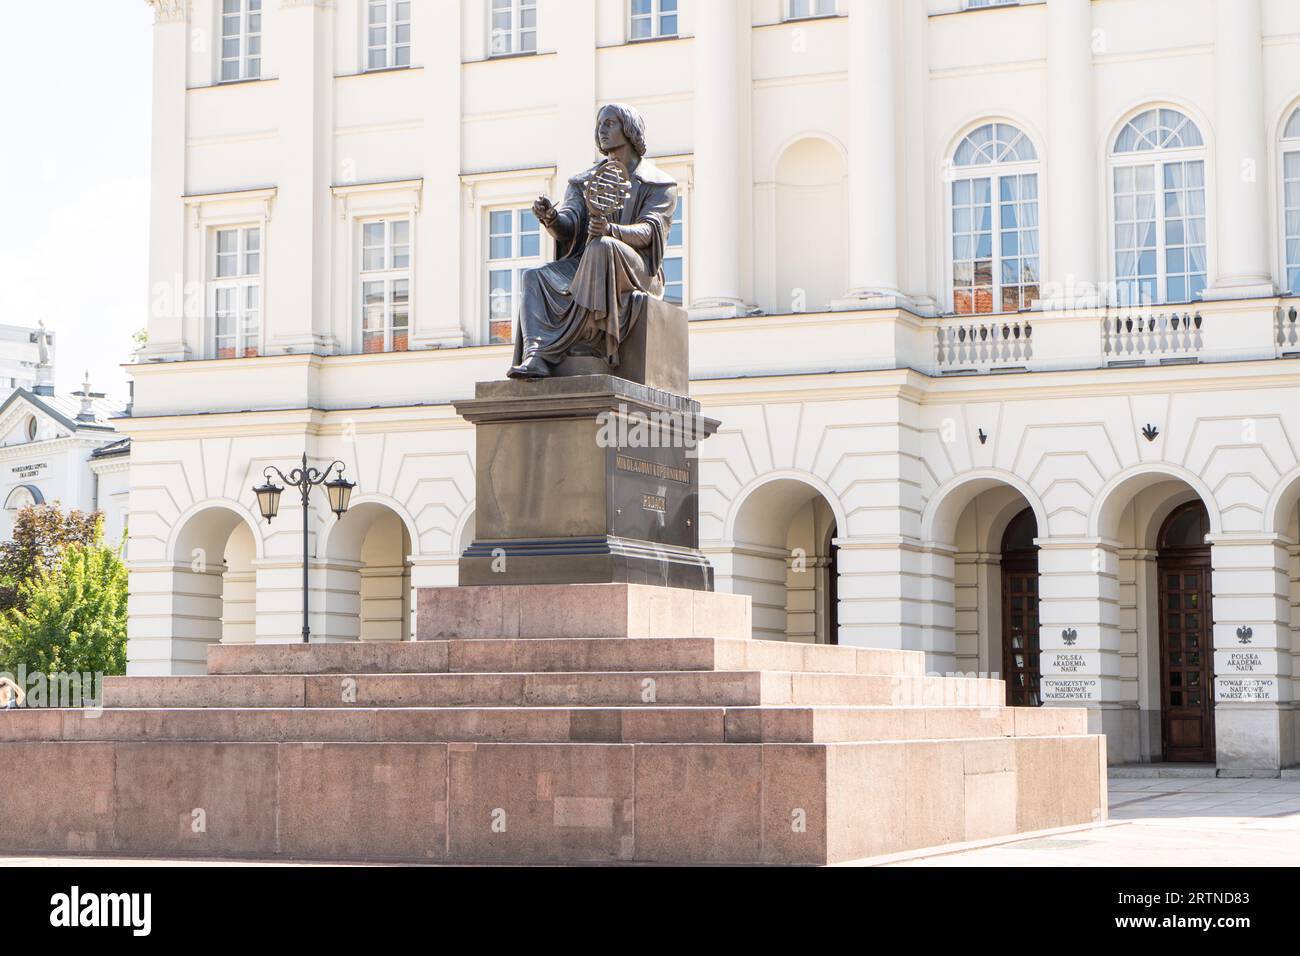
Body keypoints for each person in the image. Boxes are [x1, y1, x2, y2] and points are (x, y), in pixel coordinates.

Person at [507, 103, 678, 380]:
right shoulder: (583, 181)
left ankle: (593, 340)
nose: (602, 129)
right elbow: (569, 225)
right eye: (599, 124)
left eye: (610, 123)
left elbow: (650, 231)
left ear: (630, 129)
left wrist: (612, 230)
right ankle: (537, 355)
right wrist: (551, 218)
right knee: (534, 277)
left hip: (637, 270)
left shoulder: (658, 184)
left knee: (602, 247)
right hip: (586, 263)